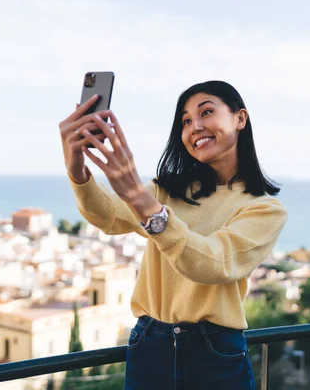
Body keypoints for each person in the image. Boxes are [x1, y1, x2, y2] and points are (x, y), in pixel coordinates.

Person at [59, 80, 288, 389]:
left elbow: (212, 264)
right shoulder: (167, 192)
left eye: (206, 112)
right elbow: (109, 216)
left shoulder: (264, 209)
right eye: (186, 121)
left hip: (215, 352)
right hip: (150, 345)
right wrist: (77, 168)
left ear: (240, 118)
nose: (195, 126)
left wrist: (147, 208)